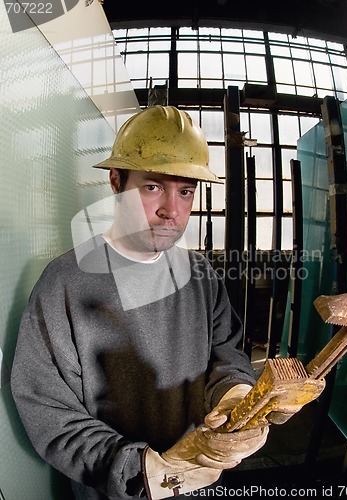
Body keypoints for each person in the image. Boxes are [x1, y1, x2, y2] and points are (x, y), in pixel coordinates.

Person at [10, 106, 270, 500]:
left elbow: (226, 353)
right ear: (116, 181)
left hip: (198, 482)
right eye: (152, 187)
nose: (172, 209)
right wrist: (141, 470)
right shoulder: (64, 283)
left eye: (185, 191)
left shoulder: (201, 276)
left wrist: (234, 393)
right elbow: (49, 407)